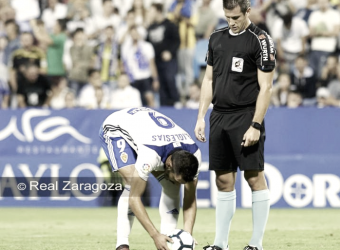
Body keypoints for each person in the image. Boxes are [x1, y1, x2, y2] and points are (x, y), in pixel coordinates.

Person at [194, 0, 276, 250]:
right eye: (227, 17)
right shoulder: (216, 37)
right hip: (219, 116)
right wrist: (200, 116)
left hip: (246, 115)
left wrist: (256, 125)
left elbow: (267, 87)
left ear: (247, 11)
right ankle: (220, 244)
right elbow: (209, 80)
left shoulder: (261, 40)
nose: (231, 22)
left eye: (236, 17)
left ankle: (256, 244)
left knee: (254, 178)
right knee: (223, 181)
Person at [99, 107, 201, 250]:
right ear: (169, 165)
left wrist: (187, 236)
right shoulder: (150, 155)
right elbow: (134, 199)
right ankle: (122, 244)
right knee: (131, 182)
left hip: (146, 130)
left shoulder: (194, 155)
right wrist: (155, 235)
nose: (179, 182)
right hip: (116, 128)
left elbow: (190, 199)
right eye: (178, 178)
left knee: (172, 186)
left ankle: (168, 241)